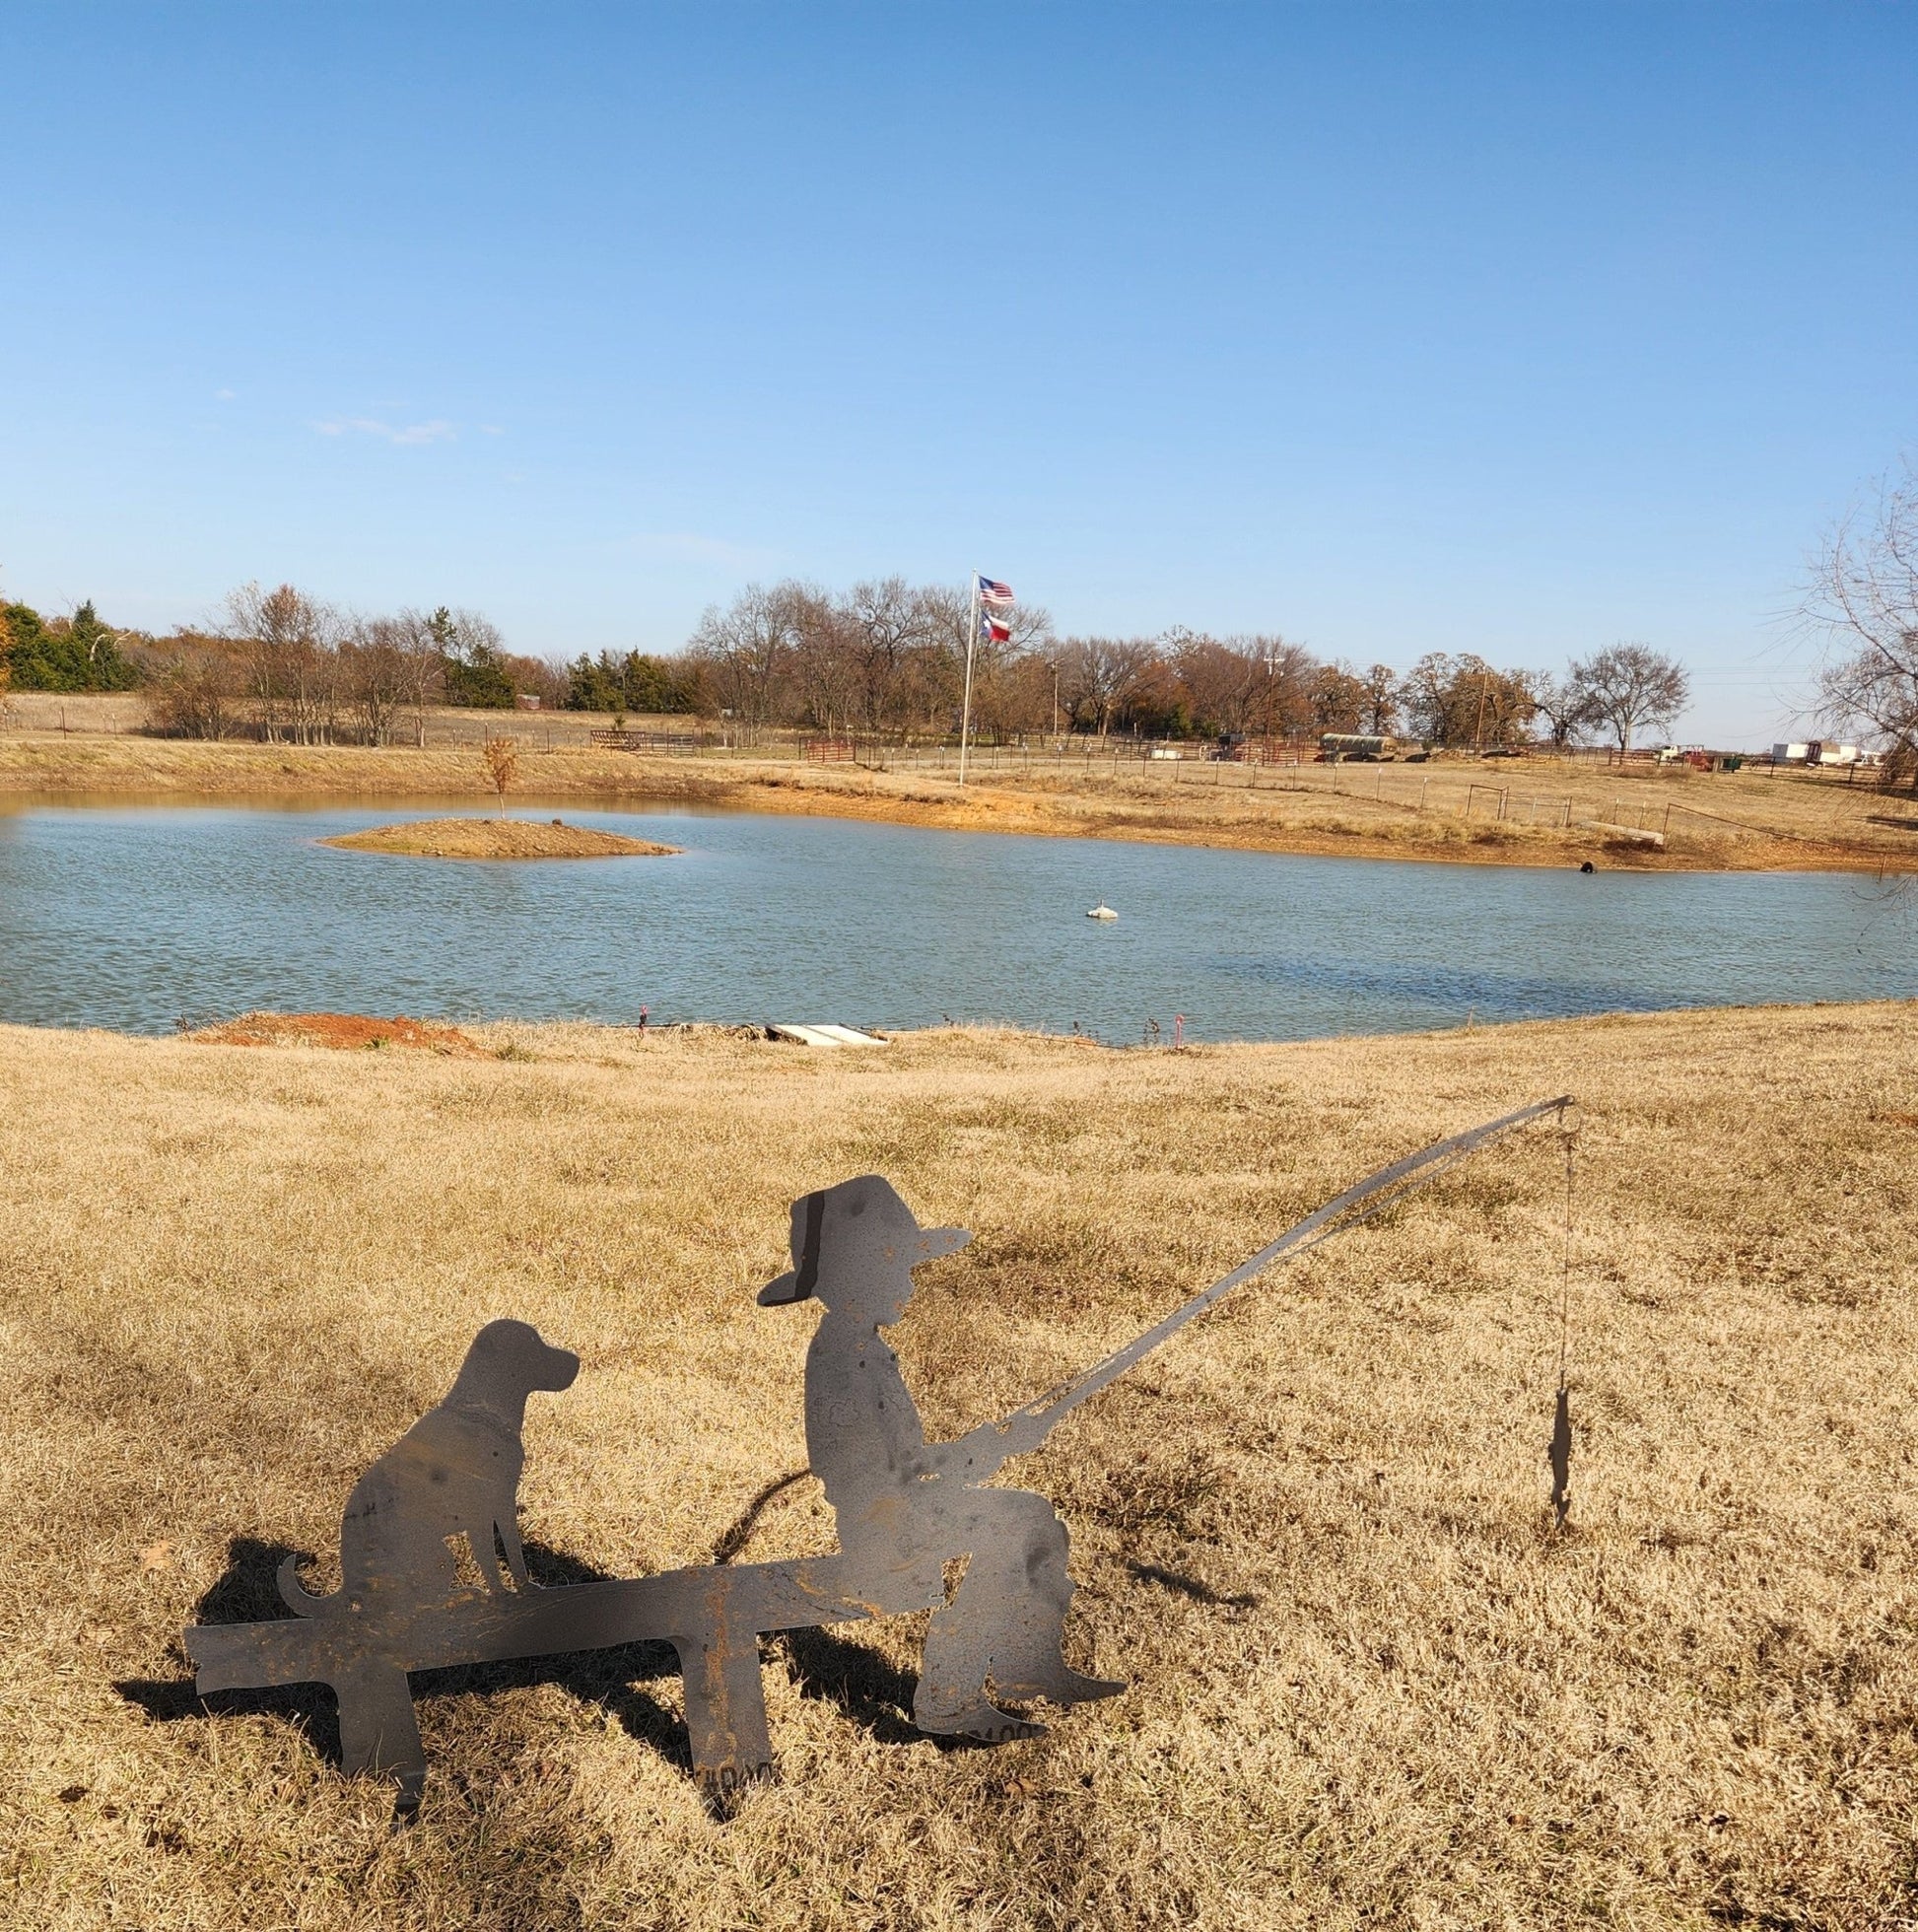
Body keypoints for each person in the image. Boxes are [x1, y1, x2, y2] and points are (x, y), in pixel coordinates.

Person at [759, 1175, 1123, 1740]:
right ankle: (948, 1699)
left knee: (1037, 1519)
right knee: (1012, 1525)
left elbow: (906, 1459)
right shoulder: (845, 1358)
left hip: (897, 1505)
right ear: (860, 1277)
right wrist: (980, 1454)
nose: (909, 1282)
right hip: (880, 1526)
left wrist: (986, 1444)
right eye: (899, 1268)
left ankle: (1026, 1666)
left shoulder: (860, 1344)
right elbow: (877, 1474)